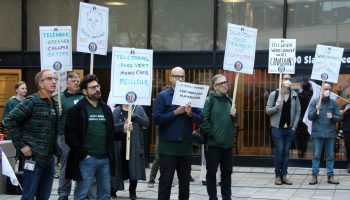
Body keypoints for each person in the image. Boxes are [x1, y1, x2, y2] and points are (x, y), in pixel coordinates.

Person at [4, 69, 60, 200]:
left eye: (55, 79)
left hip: (49, 158)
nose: (54, 81)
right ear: (41, 83)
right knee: (28, 195)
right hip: (33, 158)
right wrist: (22, 146)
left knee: (44, 196)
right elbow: (9, 120)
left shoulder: (54, 103)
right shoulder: (32, 101)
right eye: (50, 79)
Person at [65, 74, 119, 199]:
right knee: (81, 194)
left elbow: (111, 133)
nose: (97, 89)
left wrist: (124, 130)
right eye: (93, 87)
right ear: (84, 91)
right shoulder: (77, 110)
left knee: (105, 194)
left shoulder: (106, 109)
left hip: (105, 159)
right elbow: (70, 136)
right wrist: (83, 154)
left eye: (97, 86)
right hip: (86, 160)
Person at [152, 66, 203, 200]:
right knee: (165, 183)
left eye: (182, 77)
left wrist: (190, 113)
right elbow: (156, 119)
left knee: (185, 184)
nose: (180, 79)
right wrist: (175, 113)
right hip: (168, 148)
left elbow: (202, 119)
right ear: (170, 78)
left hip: (185, 148)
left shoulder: (191, 96)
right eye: (177, 76)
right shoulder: (163, 96)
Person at [200, 74, 237, 200]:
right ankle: (213, 197)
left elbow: (234, 122)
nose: (225, 85)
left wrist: (234, 115)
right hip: (213, 145)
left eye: (225, 82)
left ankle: (227, 197)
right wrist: (214, 135)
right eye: (221, 83)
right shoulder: (209, 100)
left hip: (227, 145)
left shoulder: (229, 100)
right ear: (215, 87)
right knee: (211, 173)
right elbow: (203, 121)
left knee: (227, 173)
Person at [266, 74, 300, 185]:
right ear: (281, 80)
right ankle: (277, 176)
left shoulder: (294, 95)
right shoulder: (274, 94)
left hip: (290, 129)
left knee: (286, 152)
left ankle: (284, 175)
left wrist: (294, 126)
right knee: (279, 151)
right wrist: (276, 107)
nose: (288, 80)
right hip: (277, 129)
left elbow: (298, 110)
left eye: (289, 79)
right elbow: (267, 111)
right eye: (285, 78)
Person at [111, 104, 150, 199]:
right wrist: (123, 124)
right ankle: (113, 189)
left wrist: (136, 116)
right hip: (119, 145)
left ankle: (132, 191)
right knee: (118, 168)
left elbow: (147, 123)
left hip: (134, 145)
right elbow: (111, 127)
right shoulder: (116, 110)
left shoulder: (138, 108)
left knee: (134, 169)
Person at [57, 72, 83, 200]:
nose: (77, 83)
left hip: (81, 137)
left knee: (81, 165)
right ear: (67, 83)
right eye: (74, 81)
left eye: (78, 81)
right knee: (66, 165)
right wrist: (58, 113)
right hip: (65, 137)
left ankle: (81, 192)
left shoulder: (84, 97)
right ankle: (63, 193)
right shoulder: (60, 98)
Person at [308, 82, 341, 185]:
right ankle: (314, 176)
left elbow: (339, 117)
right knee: (317, 155)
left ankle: (330, 175)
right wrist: (315, 111)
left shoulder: (334, 103)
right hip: (318, 133)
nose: (327, 91)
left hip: (330, 133)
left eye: (329, 89)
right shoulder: (315, 102)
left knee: (330, 156)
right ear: (321, 90)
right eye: (325, 89)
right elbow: (310, 117)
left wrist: (332, 117)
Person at [296, 78, 313, 158]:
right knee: (305, 137)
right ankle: (304, 152)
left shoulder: (299, 95)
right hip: (308, 119)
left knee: (299, 137)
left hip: (300, 118)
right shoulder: (312, 96)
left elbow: (296, 108)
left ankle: (300, 153)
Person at [340, 99, 350, 173]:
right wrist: (346, 109)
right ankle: (349, 164)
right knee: (348, 148)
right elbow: (339, 115)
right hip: (347, 131)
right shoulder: (345, 106)